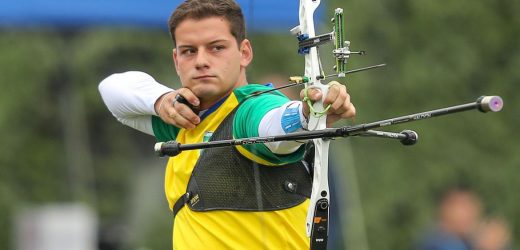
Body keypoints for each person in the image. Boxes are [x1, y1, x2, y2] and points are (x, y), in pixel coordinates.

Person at [98, 0, 355, 249]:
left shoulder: (250, 109)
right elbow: (112, 89)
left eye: (216, 48)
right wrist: (160, 100)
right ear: (176, 60)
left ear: (244, 53)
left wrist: (306, 115)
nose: (201, 61)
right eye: (189, 51)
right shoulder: (183, 120)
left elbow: (272, 125)